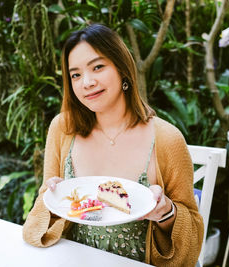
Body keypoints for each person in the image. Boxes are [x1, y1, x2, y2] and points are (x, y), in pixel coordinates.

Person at [22, 23, 204, 266]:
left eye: (97, 67)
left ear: (122, 69)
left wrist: (166, 212)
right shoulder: (63, 129)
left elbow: (191, 238)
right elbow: (37, 224)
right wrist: (51, 199)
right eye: (75, 74)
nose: (86, 82)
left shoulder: (166, 139)